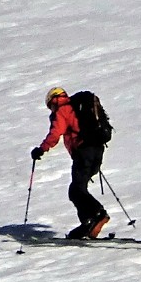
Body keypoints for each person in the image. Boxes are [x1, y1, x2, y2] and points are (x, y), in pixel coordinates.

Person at [30, 87, 110, 240]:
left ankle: (97, 214)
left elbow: (55, 133)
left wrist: (41, 149)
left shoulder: (62, 110)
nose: (51, 109)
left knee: (76, 190)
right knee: (77, 189)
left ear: (54, 99)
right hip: (97, 150)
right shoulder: (77, 107)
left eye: (50, 105)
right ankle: (89, 223)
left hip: (83, 151)